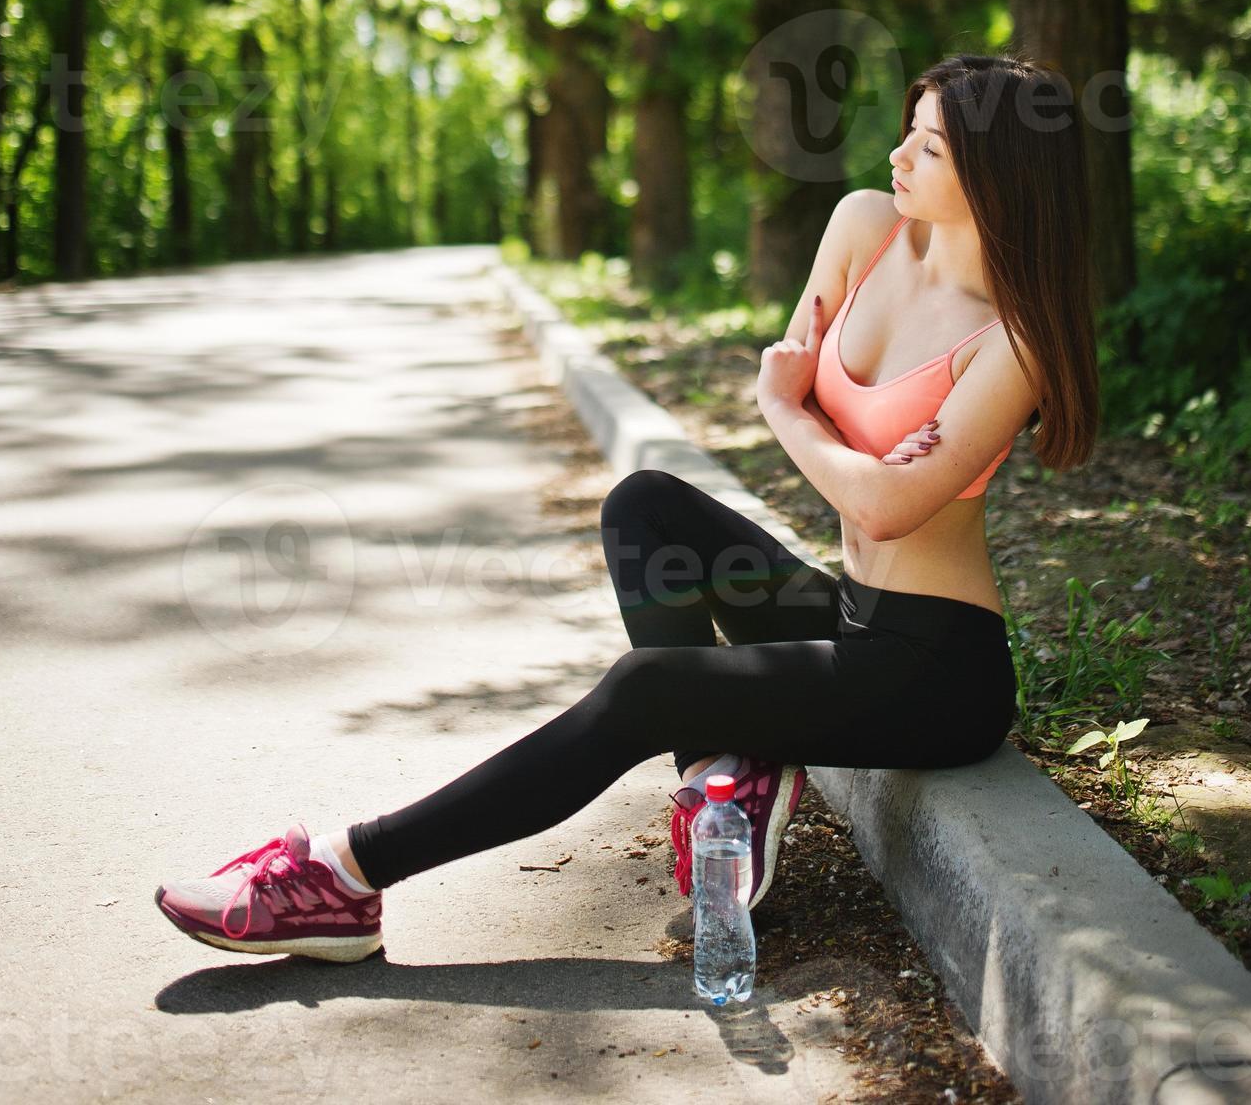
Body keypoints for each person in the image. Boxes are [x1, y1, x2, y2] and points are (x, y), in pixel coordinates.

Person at [154, 49, 1100, 961]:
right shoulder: (866, 228)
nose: (896, 154)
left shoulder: (1010, 345)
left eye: (929, 148)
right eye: (908, 131)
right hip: (850, 615)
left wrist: (780, 406)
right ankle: (721, 789)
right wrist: (824, 434)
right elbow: (840, 439)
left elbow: (884, 499)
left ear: (997, 177)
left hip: (937, 670)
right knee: (645, 504)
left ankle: (346, 878)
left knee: (642, 692)